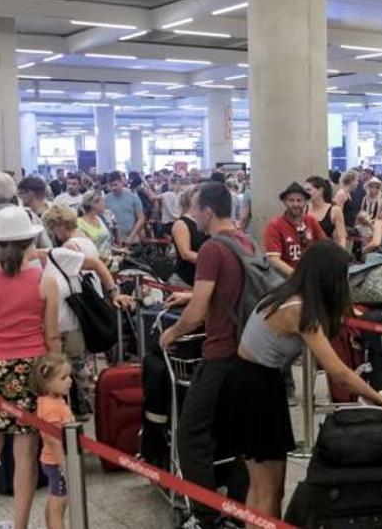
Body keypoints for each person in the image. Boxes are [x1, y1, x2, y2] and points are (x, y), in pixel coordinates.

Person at [232, 241, 382, 516]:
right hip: (256, 389)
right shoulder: (299, 310)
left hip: (255, 382)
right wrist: (381, 399)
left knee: (264, 486)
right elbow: (340, 374)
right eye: (342, 276)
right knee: (268, 489)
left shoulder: (287, 294)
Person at [158, 182, 258, 528]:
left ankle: (206, 516)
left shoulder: (213, 248)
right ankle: (237, 509)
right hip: (248, 352)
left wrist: (171, 333)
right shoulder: (246, 241)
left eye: (196, 209)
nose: (193, 215)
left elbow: (199, 311)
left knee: (191, 434)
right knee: (235, 435)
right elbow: (231, 289)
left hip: (219, 354)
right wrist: (190, 297)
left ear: (209, 212)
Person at [0, 206, 62, 529]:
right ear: (30, 240)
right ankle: (20, 524)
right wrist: (58, 374)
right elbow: (52, 336)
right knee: (25, 452)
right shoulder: (45, 280)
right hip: (31, 368)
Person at [39, 204, 133, 416]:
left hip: (73, 314)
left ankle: (91, 408)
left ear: (59, 226)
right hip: (88, 309)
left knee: (76, 367)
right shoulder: (85, 240)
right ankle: (96, 407)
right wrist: (113, 292)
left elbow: (93, 268)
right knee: (84, 363)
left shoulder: (69, 247)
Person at [32, 353, 74, 529]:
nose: (70, 381)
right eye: (63, 377)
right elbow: (53, 441)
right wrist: (65, 466)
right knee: (59, 504)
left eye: (69, 376)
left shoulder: (53, 399)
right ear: (47, 383)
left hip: (52, 461)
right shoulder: (50, 408)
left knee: (53, 500)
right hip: (57, 462)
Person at [264, 182, 327, 276]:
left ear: (305, 202)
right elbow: (273, 259)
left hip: (311, 275)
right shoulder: (275, 225)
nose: (295, 204)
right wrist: (297, 277)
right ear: (285, 202)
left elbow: (325, 245)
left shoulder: (311, 221)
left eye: (299, 200)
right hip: (286, 280)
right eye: (291, 200)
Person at [103, 171, 146, 246]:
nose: (113, 188)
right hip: (114, 240)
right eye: (111, 185)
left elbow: (141, 218)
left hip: (132, 239)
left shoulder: (133, 196)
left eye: (115, 185)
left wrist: (131, 236)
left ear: (121, 182)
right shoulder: (106, 199)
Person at [304, 176, 347, 248]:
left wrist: (341, 257)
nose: (305, 193)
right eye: (304, 191)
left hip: (327, 252)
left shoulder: (335, 210)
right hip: (307, 253)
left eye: (309, 190)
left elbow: (341, 238)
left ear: (320, 190)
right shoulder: (304, 209)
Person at [77, 190, 112, 256]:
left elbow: (104, 243)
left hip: (109, 261)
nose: (104, 204)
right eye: (102, 201)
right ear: (93, 204)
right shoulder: (79, 223)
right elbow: (86, 250)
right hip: (94, 263)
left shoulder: (99, 219)